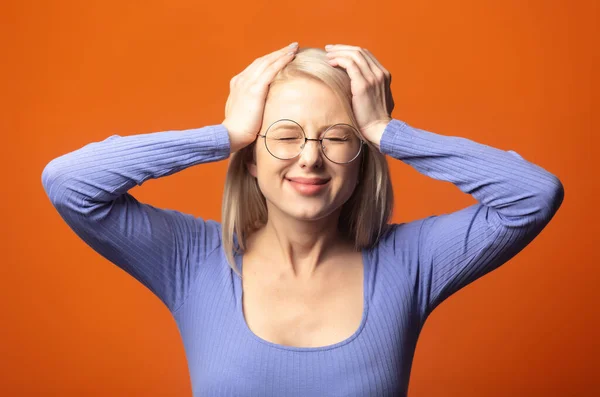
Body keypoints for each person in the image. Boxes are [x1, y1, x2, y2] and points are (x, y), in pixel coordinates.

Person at [41, 42, 564, 396]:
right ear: (251, 156)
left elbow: (533, 195)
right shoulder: (194, 259)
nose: (310, 158)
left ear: (362, 157)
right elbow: (70, 183)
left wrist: (386, 130)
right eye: (285, 136)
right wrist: (225, 134)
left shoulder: (411, 262)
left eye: (337, 137)